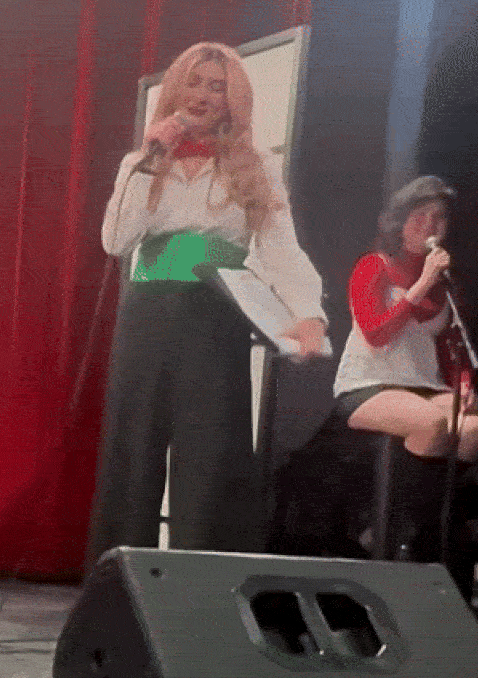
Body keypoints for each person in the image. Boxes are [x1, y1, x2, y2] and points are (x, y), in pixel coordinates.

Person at [85, 42, 328, 571]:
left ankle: (205, 595)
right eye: (194, 83)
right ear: (174, 91)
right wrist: (149, 160)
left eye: (216, 87)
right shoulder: (141, 161)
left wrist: (308, 314)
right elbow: (114, 240)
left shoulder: (254, 167)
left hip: (212, 320)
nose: (202, 96)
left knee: (210, 459)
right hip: (147, 317)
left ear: (233, 99)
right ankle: (119, 589)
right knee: (132, 455)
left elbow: (282, 248)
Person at [329, 176, 478, 557]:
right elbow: (376, 335)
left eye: (439, 218)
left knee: (477, 429)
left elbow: (456, 348)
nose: (431, 227)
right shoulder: (373, 266)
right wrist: (420, 285)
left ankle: (424, 525)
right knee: (432, 425)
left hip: (425, 386)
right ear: (399, 222)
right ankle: (392, 526)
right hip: (370, 383)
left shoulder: (446, 284)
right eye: (420, 217)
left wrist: (463, 385)